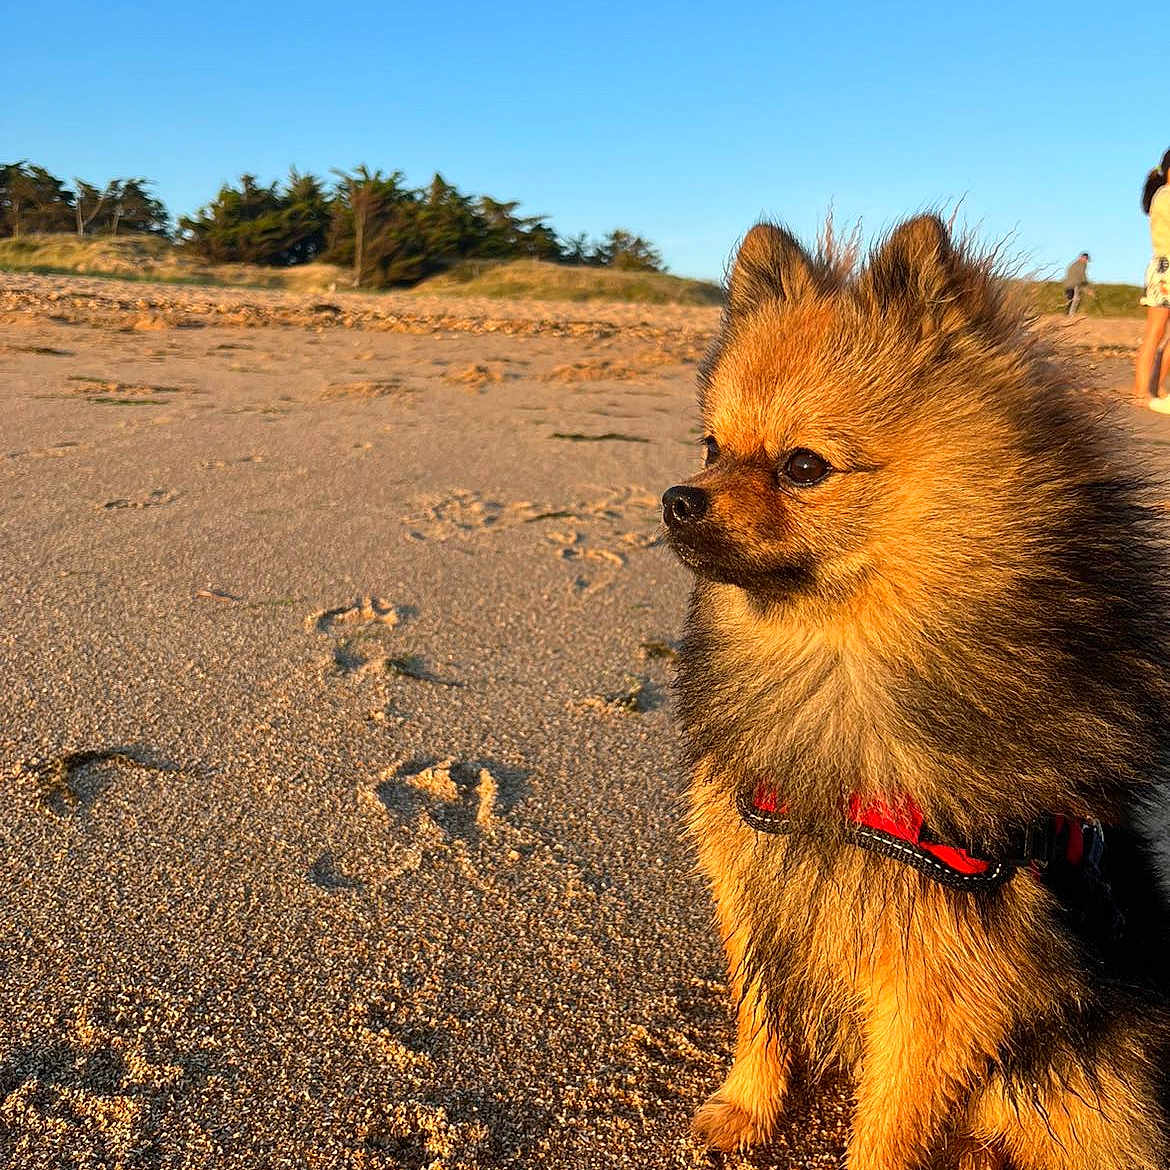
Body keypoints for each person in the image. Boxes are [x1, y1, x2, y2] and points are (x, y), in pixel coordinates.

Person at [1135, 148, 1170, 411]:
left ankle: (1159, 388)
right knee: (1155, 332)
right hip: (1165, 268)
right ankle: (1140, 393)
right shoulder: (1164, 196)